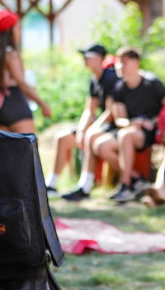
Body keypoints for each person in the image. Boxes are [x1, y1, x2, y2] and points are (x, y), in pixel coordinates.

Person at [95, 46, 165, 203]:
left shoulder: (152, 83)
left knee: (125, 135)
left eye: (124, 62)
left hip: (149, 131)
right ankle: (137, 180)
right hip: (129, 129)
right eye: (118, 63)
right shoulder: (119, 88)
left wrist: (152, 121)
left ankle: (126, 186)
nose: (120, 67)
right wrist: (132, 123)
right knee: (100, 145)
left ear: (136, 63)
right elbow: (119, 119)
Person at [45, 43, 118, 193]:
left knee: (89, 136)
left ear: (99, 58)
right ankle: (51, 185)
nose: (84, 58)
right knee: (62, 138)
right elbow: (89, 110)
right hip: (100, 125)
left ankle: (85, 186)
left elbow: (111, 112)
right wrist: (81, 131)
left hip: (113, 127)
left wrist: (90, 130)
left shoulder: (111, 77)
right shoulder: (93, 79)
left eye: (88, 55)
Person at [0, 9, 51, 133]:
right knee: (28, 146)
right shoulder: (11, 54)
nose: (20, 32)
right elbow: (22, 84)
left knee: (3, 146)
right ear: (10, 30)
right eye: (18, 28)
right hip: (16, 105)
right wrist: (42, 104)